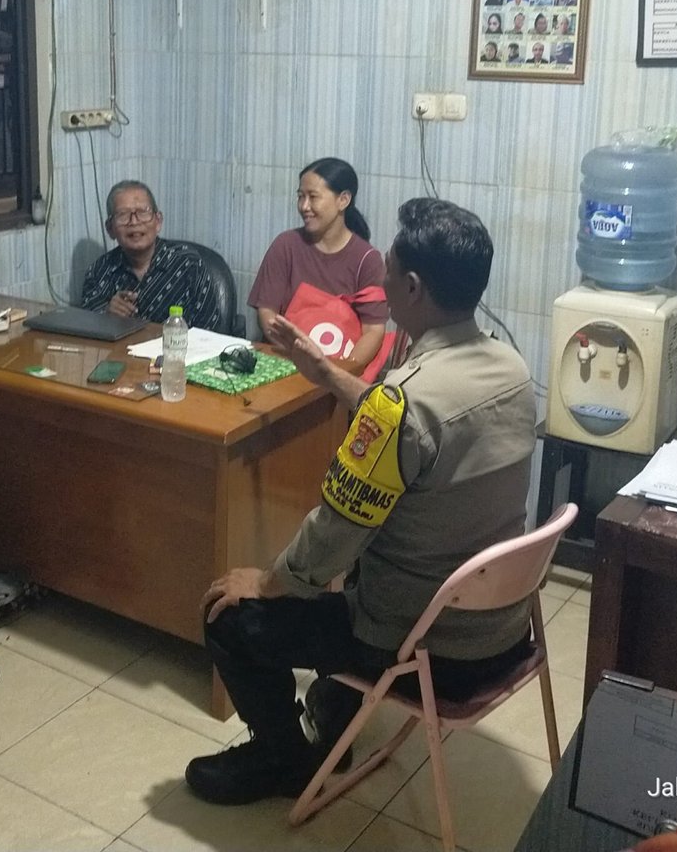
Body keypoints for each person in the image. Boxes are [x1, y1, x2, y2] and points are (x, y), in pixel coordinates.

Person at [184, 199, 537, 806]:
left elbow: (332, 535)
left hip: (424, 646)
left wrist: (265, 582)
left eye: (388, 269)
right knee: (350, 578)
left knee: (230, 614)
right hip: (502, 630)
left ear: (413, 287)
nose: (380, 281)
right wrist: (326, 373)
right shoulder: (512, 367)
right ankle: (335, 708)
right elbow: (412, 426)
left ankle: (282, 760)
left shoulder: (402, 403)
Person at [249, 158, 387, 372]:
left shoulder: (367, 260)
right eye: (300, 197)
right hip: (285, 362)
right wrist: (297, 355)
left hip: (339, 371)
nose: (304, 206)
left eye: (313, 197)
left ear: (343, 200)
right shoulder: (285, 245)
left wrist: (339, 373)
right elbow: (267, 312)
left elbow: (373, 331)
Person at [80, 180, 221, 329]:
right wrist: (107, 315)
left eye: (143, 212)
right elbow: (87, 331)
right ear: (110, 229)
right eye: (123, 215)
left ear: (158, 221)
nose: (134, 222)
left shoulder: (188, 264)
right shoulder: (99, 272)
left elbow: (211, 331)